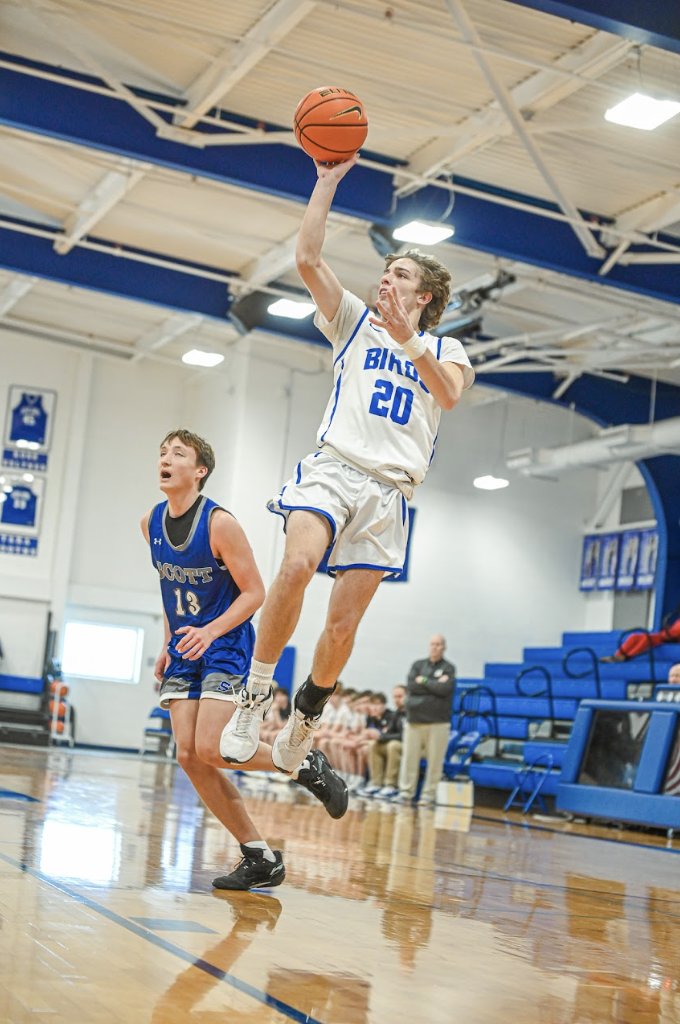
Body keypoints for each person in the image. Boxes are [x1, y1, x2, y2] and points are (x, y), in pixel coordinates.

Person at [220, 152, 474, 775]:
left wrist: (410, 339)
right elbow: (308, 260)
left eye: (402, 273)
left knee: (340, 627)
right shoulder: (354, 322)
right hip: (335, 466)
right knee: (296, 566)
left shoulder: (446, 347)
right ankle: (254, 697)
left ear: (427, 295)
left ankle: (305, 718)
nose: (387, 278)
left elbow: (447, 394)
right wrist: (326, 182)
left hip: (390, 493)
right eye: (386, 269)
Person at [141, 429, 348, 892]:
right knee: (190, 757)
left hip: (226, 643)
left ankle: (302, 763)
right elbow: (172, 592)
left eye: (178, 453)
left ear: (200, 471)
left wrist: (210, 631)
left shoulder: (219, 524)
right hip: (185, 646)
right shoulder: (150, 523)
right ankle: (259, 856)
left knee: (213, 747)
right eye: (162, 452)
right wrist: (167, 640)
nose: (165, 458)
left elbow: (256, 592)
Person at [395, 635, 456, 807]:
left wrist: (423, 681)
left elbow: (444, 689)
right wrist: (433, 684)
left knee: (435, 761)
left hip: (438, 723)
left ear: (444, 647)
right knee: (409, 759)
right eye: (432, 644)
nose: (435, 647)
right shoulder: (417, 665)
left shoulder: (449, 668)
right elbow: (412, 686)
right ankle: (406, 793)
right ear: (429, 646)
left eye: (438, 644)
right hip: (414, 721)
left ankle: (428, 795)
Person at [363, 684, 407, 798]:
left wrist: (383, 737)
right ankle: (376, 783)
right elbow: (389, 732)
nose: (396, 700)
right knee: (374, 744)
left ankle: (391, 785)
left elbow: (404, 736)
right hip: (396, 742)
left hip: (408, 746)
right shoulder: (397, 713)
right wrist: (380, 736)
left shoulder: (411, 714)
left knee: (393, 745)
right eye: (395, 697)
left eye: (400, 696)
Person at [600, 605, 680, 662]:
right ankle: (617, 655)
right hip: (664, 635)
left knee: (646, 638)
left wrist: (667, 633)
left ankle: (627, 657)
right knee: (634, 636)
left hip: (671, 639)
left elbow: (673, 634)